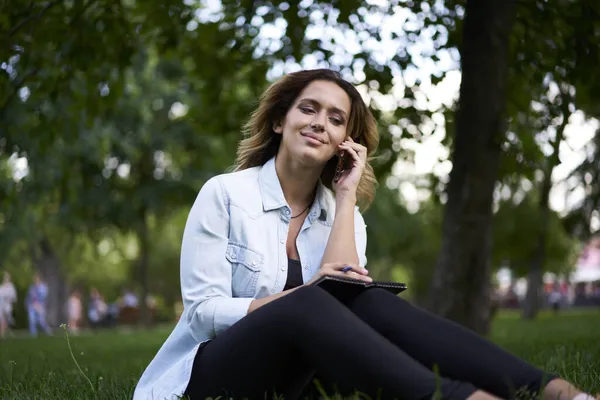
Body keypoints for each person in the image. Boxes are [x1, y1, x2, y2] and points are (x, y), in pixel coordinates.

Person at [133, 69, 598, 400]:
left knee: (366, 296)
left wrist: (348, 192)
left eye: (336, 119)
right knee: (313, 300)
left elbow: (346, 293)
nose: (320, 122)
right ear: (280, 121)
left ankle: (554, 392)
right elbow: (203, 315)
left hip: (301, 379)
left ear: (345, 142)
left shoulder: (344, 213)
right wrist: (299, 299)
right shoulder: (225, 194)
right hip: (205, 378)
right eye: (308, 109)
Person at [0, 271, 17, 338]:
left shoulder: (11, 287)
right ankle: (3, 333)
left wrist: (7, 298)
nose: (6, 279)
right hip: (1, 306)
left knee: (7, 320)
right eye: (5, 277)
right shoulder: (1, 287)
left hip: (7, 306)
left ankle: (6, 331)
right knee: (3, 319)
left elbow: (14, 297)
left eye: (7, 277)